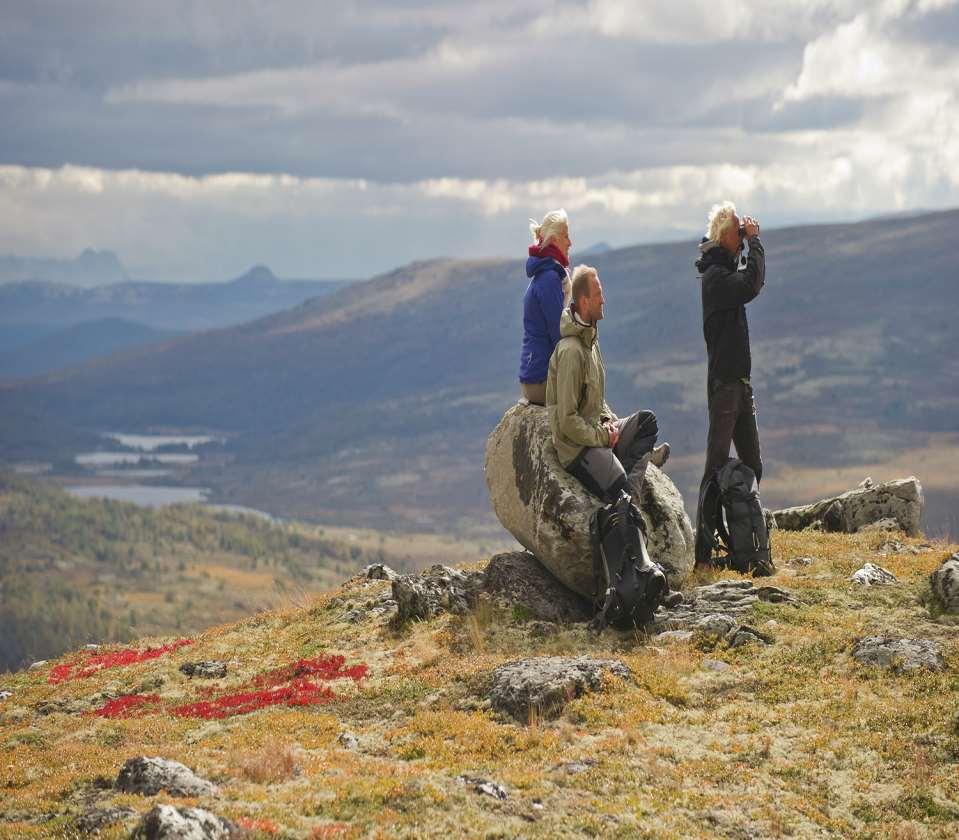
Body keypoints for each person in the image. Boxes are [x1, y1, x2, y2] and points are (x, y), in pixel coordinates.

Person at [545, 264, 670, 504]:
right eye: (598, 294)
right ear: (584, 301)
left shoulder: (591, 341)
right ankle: (625, 497)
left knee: (646, 422)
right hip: (578, 449)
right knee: (618, 488)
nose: (603, 300)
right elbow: (567, 420)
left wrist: (606, 424)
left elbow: (595, 400)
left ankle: (629, 497)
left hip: (597, 433)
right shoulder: (571, 351)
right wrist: (603, 438)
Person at [694, 201, 765, 565]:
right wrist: (755, 244)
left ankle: (746, 542)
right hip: (725, 387)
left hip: (739, 384)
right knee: (715, 468)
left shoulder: (723, 272)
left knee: (752, 463)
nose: (741, 236)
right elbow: (752, 284)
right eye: (737, 232)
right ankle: (703, 553)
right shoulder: (716, 279)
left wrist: (746, 245)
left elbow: (747, 282)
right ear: (725, 236)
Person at [517, 209, 572, 405]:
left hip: (533, 377)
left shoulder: (546, 274)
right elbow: (558, 332)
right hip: (540, 382)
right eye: (566, 236)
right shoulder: (549, 279)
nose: (570, 242)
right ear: (554, 239)